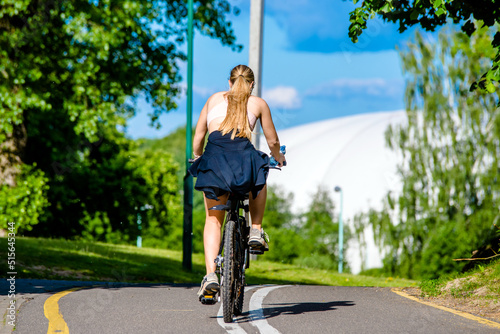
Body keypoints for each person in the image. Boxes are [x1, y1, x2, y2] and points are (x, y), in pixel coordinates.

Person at [188, 64, 286, 300]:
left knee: (213, 220)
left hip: (215, 162)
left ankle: (211, 275)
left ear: (229, 82)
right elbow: (272, 141)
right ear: (251, 84)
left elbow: (198, 138)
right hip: (243, 161)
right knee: (261, 169)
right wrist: (279, 158)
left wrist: (199, 158)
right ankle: (256, 229)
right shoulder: (258, 103)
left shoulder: (213, 99)